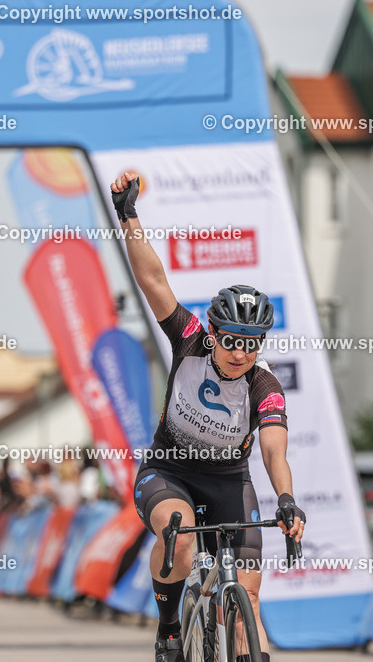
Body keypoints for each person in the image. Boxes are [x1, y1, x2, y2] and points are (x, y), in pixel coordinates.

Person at [111, 172, 306, 662]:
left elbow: (273, 449)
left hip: (228, 483)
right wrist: (128, 214)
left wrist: (286, 499)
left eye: (251, 343)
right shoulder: (189, 339)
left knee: (248, 601)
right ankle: (170, 627)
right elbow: (153, 279)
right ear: (215, 335)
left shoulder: (263, 385)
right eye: (232, 340)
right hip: (169, 471)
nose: (240, 353)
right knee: (176, 534)